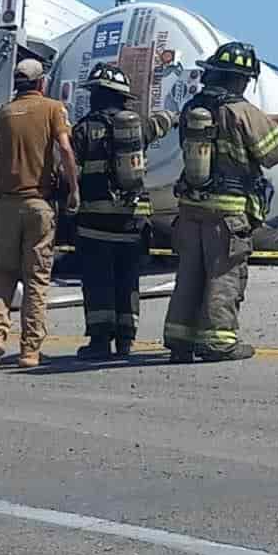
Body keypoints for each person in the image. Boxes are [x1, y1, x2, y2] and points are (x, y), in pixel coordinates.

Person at [163, 41, 278, 363]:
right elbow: (270, 153)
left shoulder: (193, 109)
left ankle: (179, 342)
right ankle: (220, 343)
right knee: (224, 276)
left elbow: (245, 122)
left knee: (189, 275)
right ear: (240, 80)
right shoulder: (241, 110)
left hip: (191, 210)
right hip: (228, 214)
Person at [70, 62, 175, 360]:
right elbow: (161, 123)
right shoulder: (138, 126)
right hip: (132, 223)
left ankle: (100, 342)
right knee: (128, 281)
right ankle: (126, 341)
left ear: (96, 96)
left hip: (94, 223)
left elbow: (69, 170)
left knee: (98, 281)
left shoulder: (83, 130)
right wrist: (174, 116)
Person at [0, 57, 78, 368]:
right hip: (39, 204)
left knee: (3, 275)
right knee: (36, 279)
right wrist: (73, 187)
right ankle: (30, 350)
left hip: (7, 205)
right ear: (41, 83)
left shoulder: (4, 113)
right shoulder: (52, 109)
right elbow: (64, 148)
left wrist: (4, 189)